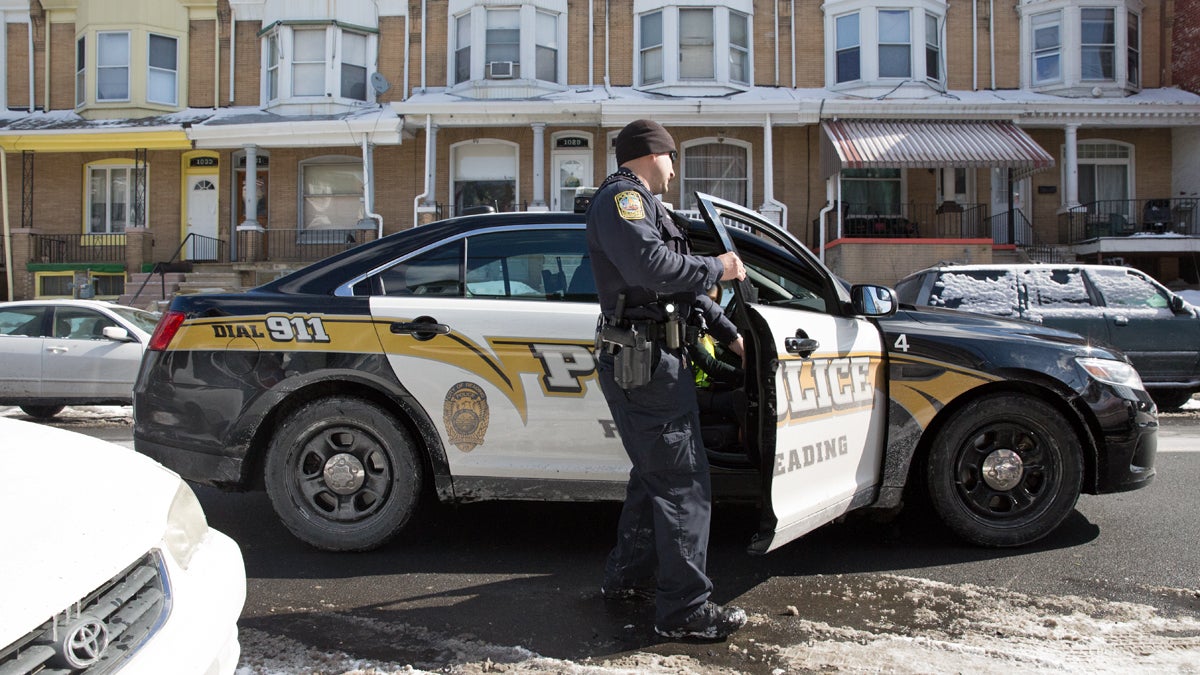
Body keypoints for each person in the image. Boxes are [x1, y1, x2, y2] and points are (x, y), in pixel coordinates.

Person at [586, 119, 748, 640]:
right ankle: (685, 612)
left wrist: (728, 334)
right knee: (683, 483)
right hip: (645, 361)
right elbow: (652, 268)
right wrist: (719, 266)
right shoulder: (622, 202)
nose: (675, 171)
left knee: (655, 476)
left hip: (653, 358)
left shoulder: (647, 207)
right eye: (672, 158)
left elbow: (674, 279)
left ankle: (628, 580)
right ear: (651, 154)